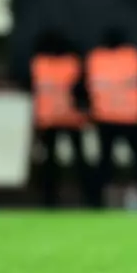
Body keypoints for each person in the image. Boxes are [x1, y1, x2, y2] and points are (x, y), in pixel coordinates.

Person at [83, 27, 137, 209]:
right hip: (131, 116)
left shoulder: (96, 58)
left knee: (105, 161)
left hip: (105, 117)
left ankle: (96, 200)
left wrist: (88, 108)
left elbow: (83, 86)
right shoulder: (132, 57)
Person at [28, 30, 94, 208]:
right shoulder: (73, 63)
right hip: (72, 117)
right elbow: (83, 91)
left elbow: (30, 87)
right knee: (79, 161)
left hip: (49, 119)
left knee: (50, 163)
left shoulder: (39, 64)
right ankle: (91, 198)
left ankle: (49, 200)